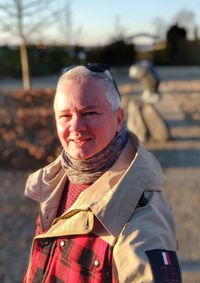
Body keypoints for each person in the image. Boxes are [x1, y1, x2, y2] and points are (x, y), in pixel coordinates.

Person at [24, 63, 182, 283]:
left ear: (118, 119)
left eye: (89, 112)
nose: (76, 126)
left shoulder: (142, 219)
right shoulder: (55, 180)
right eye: (65, 116)